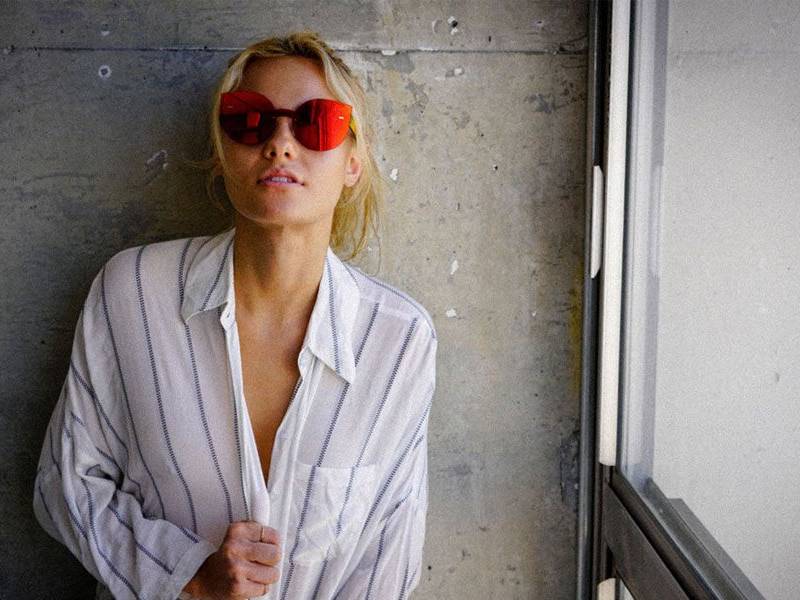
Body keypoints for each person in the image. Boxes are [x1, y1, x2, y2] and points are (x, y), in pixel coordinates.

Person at [32, 30, 437, 600]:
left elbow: (388, 556)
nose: (280, 144)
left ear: (352, 162)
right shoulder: (133, 292)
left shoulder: (399, 340)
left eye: (316, 122)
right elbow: (68, 484)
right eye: (249, 120)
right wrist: (187, 576)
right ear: (222, 155)